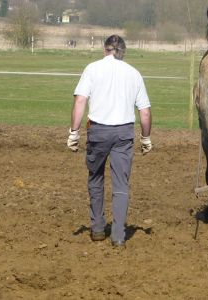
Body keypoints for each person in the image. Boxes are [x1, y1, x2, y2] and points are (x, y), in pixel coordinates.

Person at [67, 34, 152, 248]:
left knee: (95, 178)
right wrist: (146, 137)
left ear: (105, 50)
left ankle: (97, 229)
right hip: (124, 133)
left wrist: (74, 133)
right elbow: (145, 112)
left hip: (98, 132)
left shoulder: (92, 69)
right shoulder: (134, 74)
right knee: (121, 184)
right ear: (123, 52)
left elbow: (80, 101)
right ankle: (118, 236)